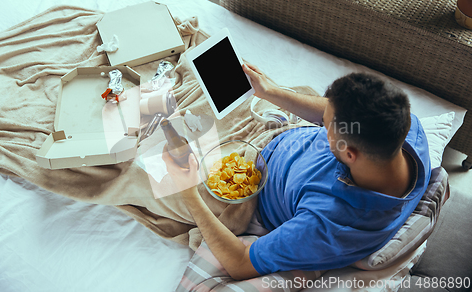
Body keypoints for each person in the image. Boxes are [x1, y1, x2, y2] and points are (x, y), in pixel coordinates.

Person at [162, 62, 431, 280]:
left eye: (326, 126)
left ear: (350, 154)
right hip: (275, 131)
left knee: (153, 162)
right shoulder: (405, 130)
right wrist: (270, 91)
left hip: (251, 194)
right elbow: (332, 111)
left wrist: (186, 190)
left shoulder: (328, 226)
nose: (323, 125)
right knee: (196, 82)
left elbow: (240, 263)